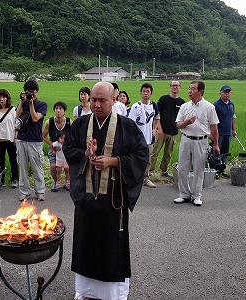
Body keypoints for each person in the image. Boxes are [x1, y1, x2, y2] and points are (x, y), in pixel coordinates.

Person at [63, 81, 148, 300]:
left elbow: (141, 156)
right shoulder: (80, 124)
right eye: (94, 99)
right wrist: (84, 153)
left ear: (113, 100)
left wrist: (114, 160)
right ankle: (86, 290)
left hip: (113, 200)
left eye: (102, 100)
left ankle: (113, 293)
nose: (97, 105)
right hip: (87, 200)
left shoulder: (127, 126)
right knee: (86, 244)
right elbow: (68, 149)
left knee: (111, 246)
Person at [174, 81, 220, 206]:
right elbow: (178, 124)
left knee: (199, 169)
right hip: (185, 139)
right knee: (182, 168)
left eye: (193, 89)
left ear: (201, 91)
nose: (189, 91)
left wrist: (215, 144)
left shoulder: (209, 107)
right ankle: (184, 194)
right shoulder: (184, 106)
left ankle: (196, 195)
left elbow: (214, 127)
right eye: (189, 88)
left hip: (201, 141)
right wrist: (186, 123)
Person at [16, 79, 47, 201]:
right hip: (22, 139)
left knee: (37, 167)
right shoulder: (23, 103)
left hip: (35, 140)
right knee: (22, 168)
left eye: (32, 92)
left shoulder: (42, 105)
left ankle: (40, 191)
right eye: (28, 92)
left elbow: (35, 118)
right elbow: (17, 116)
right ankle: (24, 192)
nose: (30, 95)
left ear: (37, 92)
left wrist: (31, 104)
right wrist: (21, 101)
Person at [150, 81, 185, 177]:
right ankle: (150, 170)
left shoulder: (182, 102)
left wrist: (181, 133)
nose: (175, 87)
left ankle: (164, 171)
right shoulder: (164, 99)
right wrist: (159, 129)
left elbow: (182, 119)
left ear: (180, 88)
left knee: (168, 154)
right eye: (173, 85)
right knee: (155, 152)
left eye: (177, 86)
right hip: (162, 131)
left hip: (173, 132)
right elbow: (157, 114)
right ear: (170, 87)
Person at [128, 82, 160, 188]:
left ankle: (145, 178)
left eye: (148, 91)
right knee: (135, 158)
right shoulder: (135, 106)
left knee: (147, 159)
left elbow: (157, 118)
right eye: (144, 91)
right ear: (140, 93)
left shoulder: (153, 105)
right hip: (137, 138)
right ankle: (134, 178)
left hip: (149, 138)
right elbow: (131, 123)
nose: (145, 93)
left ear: (151, 93)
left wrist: (155, 129)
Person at [0, 89, 18, 188]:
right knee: (0, 161)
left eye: (4, 97)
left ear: (7, 98)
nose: (2, 99)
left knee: (13, 160)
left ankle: (15, 179)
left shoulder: (13, 110)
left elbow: (16, 125)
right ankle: (1, 180)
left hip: (11, 140)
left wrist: (15, 138)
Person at [42, 101, 71, 192]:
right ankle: (57, 183)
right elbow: (43, 136)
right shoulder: (49, 122)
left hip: (66, 150)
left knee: (68, 168)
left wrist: (67, 146)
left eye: (60, 109)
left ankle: (68, 183)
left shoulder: (69, 122)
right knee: (53, 167)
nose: (58, 111)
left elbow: (74, 137)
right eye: (56, 109)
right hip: (54, 149)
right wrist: (51, 144)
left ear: (65, 111)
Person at [213, 85, 237, 178]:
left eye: (228, 92)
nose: (226, 94)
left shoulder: (231, 104)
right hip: (219, 133)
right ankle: (215, 171)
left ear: (231, 93)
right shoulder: (216, 105)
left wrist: (233, 130)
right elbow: (211, 121)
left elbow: (233, 118)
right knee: (216, 152)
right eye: (225, 92)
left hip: (228, 133)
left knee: (225, 153)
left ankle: (222, 170)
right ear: (220, 93)